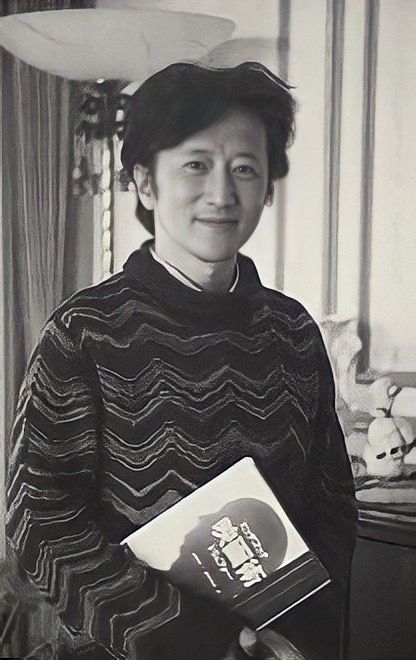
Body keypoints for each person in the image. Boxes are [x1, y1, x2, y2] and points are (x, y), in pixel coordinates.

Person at [6, 61, 357, 659]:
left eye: (245, 169)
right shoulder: (84, 332)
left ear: (268, 186)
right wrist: (196, 640)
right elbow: (39, 518)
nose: (222, 194)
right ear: (145, 183)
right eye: (196, 165)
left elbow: (330, 503)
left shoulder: (293, 330)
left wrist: (297, 635)